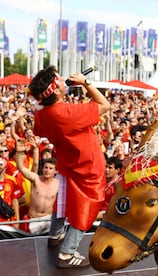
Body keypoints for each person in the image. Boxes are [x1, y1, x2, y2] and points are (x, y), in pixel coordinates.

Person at [28, 65, 110, 268]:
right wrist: (86, 82)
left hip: (66, 163)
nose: (64, 79)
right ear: (55, 90)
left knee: (63, 200)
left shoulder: (43, 113)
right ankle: (67, 253)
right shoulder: (67, 112)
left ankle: (55, 234)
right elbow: (105, 105)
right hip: (87, 166)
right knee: (87, 206)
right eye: (60, 78)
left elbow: (38, 127)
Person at [15, 137, 59, 234]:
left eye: (50, 168)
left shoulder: (59, 184)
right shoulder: (36, 179)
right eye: (45, 168)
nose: (47, 170)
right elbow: (21, 168)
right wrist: (18, 152)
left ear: (56, 171)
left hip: (49, 219)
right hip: (33, 220)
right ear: (42, 169)